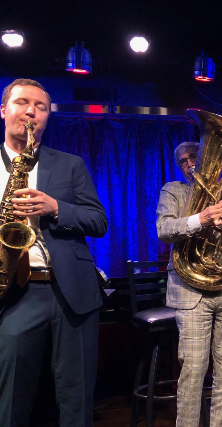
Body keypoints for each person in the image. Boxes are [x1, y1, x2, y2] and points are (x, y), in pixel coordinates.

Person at [0, 78, 108, 426]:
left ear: (47, 117)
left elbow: (98, 221)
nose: (31, 111)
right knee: (11, 398)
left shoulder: (70, 164)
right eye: (22, 102)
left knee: (77, 399)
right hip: (14, 294)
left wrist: (56, 207)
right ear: (3, 110)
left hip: (72, 291)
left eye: (41, 106)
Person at [156, 141, 222, 427]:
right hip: (191, 289)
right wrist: (201, 219)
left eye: (194, 157)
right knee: (193, 369)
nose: (190, 164)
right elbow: (164, 229)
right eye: (184, 161)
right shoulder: (174, 190)